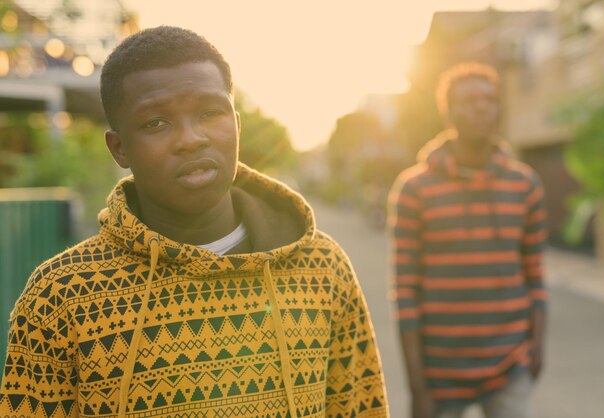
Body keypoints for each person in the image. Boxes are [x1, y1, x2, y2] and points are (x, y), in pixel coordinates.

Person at [0, 26, 388, 418]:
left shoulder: (322, 267)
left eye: (209, 113)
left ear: (237, 124)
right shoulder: (60, 297)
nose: (190, 138)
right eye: (156, 123)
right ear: (119, 149)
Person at [388, 62, 547, 418]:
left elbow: (535, 274)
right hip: (441, 372)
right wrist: (417, 387)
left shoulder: (525, 185)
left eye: (490, 99)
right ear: (448, 111)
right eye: (469, 100)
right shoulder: (415, 190)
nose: (481, 107)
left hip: (510, 364)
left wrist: (537, 346)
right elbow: (405, 292)